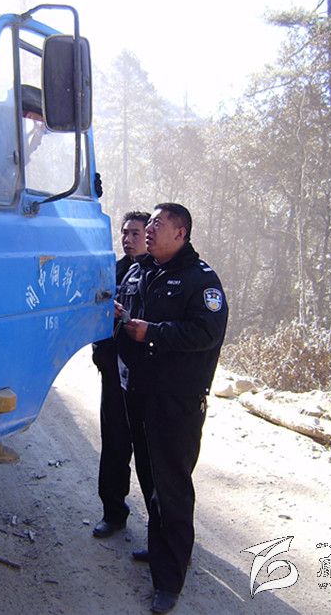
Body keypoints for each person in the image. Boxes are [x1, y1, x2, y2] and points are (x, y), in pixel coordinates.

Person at [115, 203, 228, 614]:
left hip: (176, 400)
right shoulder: (141, 271)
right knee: (149, 478)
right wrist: (121, 318)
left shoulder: (201, 279)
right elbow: (132, 317)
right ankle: (160, 546)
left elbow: (206, 332)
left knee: (172, 487)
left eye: (158, 224)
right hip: (140, 393)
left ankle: (169, 580)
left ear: (180, 233)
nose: (149, 229)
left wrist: (153, 332)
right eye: (149, 223)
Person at [91, 211, 150, 538]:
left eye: (135, 233)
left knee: (150, 453)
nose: (128, 239)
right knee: (114, 443)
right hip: (114, 372)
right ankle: (113, 513)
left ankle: (161, 529)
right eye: (125, 233)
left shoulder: (159, 274)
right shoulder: (114, 270)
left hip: (146, 378)